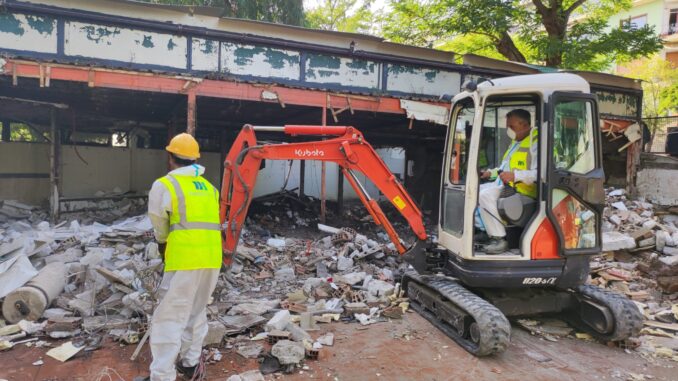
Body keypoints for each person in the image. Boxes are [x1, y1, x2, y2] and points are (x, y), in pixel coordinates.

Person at [139, 133, 222, 381]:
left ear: (170, 157)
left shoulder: (165, 185)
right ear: (195, 158)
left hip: (184, 259)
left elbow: (159, 224)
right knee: (197, 312)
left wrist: (163, 245)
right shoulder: (210, 188)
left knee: (169, 318)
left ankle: (162, 376)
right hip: (211, 258)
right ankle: (190, 363)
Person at [477, 109, 538, 254]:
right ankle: (485, 230)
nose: (509, 130)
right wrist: (489, 173)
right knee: (472, 191)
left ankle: (499, 239)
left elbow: (539, 173)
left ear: (524, 124)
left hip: (522, 189)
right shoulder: (516, 142)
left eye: (512, 126)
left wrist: (515, 176)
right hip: (506, 185)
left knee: (485, 195)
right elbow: (504, 168)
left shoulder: (535, 142)